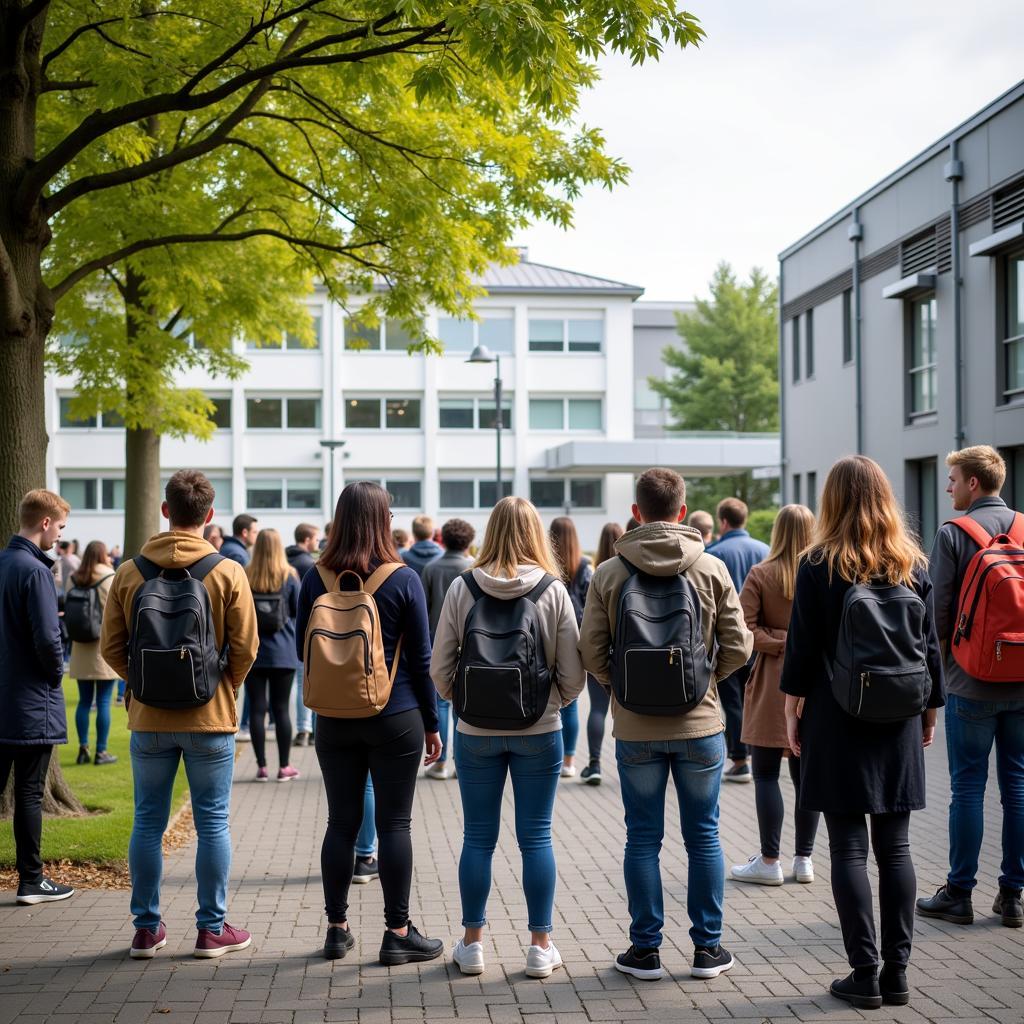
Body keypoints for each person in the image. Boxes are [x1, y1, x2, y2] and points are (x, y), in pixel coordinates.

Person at [780, 455, 944, 1009]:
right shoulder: (910, 562)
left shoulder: (818, 564)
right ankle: (898, 975)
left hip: (837, 715)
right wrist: (930, 708)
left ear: (831, 501)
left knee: (848, 848)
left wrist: (790, 710)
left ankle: (865, 973)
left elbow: (801, 651)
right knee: (895, 849)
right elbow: (930, 648)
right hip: (898, 716)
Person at [579, 468, 752, 982]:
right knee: (704, 837)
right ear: (682, 512)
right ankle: (708, 950)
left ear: (637, 513)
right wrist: (705, 683)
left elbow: (590, 650)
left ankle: (645, 951)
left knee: (642, 840)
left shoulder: (610, 572)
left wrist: (618, 689)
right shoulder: (711, 567)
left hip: (636, 728)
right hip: (700, 726)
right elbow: (739, 646)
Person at [101, 470, 259, 959]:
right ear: (209, 516)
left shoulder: (129, 572)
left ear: (166, 511)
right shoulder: (228, 570)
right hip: (209, 718)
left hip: (149, 720)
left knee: (148, 822)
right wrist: (223, 686)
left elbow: (112, 647)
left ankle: (146, 929)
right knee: (213, 823)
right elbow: (246, 647)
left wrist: (142, 684)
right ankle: (212, 929)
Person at [431, 496, 586, 978]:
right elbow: (573, 673)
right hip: (539, 728)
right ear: (536, 534)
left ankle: (473, 943)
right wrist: (552, 705)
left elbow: (439, 668)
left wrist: (461, 701)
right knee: (535, 836)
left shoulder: (463, 587)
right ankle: (540, 946)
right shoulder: (552, 590)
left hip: (475, 730)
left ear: (490, 532)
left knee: (477, 837)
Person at [296, 481, 443, 965]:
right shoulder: (403, 579)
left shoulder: (316, 578)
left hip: (333, 718)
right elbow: (421, 661)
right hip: (393, 715)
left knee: (340, 822)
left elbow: (304, 648)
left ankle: (336, 930)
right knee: (394, 823)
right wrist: (431, 723)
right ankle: (397, 933)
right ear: (383, 521)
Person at [917, 445, 1024, 928]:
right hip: (1023, 680)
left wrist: (935, 680)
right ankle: (1013, 895)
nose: (949, 487)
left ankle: (959, 893)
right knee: (1018, 788)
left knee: (967, 789)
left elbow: (934, 617)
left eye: (953, 479)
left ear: (973, 484)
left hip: (971, 681)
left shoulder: (953, 534)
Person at [730, 505, 820, 886]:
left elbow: (744, 630)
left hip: (772, 681)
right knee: (806, 776)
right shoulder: (825, 572)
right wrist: (798, 641)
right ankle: (804, 858)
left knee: (766, 773)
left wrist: (779, 640)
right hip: (816, 683)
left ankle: (769, 860)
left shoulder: (761, 574)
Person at [0, 489, 75, 906]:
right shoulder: (34, 571)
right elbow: (48, 640)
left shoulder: (4, 563)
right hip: (30, 698)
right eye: (60, 526)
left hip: (6, 693)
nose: (60, 536)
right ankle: (31, 879)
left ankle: (31, 879)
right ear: (45, 522)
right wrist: (53, 674)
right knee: (29, 791)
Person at [705, 497, 770, 784]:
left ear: (723, 522)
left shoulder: (714, 553)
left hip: (725, 641)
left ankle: (740, 759)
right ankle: (757, 751)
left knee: (732, 702)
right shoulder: (766, 551)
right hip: (759, 640)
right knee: (753, 698)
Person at [420, 517, 476, 780]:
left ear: (443, 539)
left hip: (436, 640)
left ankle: (440, 762)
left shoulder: (431, 569)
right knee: (463, 704)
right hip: (471, 643)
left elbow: (423, 607)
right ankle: (460, 762)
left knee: (441, 702)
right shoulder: (474, 568)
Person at [244, 529, 301, 782]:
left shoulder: (246, 574)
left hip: (254, 652)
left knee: (257, 708)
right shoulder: (290, 576)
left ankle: (261, 766)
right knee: (281, 710)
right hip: (283, 651)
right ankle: (284, 766)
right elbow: (299, 611)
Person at [578, 522, 623, 784]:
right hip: (627, 655)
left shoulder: (596, 573)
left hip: (601, 653)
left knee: (597, 709)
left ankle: (594, 763)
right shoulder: (627, 572)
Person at [68, 540, 118, 766]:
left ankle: (82, 748)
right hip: (103, 646)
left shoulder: (74, 578)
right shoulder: (109, 576)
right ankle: (101, 751)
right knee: (104, 701)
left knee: (84, 702)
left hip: (80, 646)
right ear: (103, 554)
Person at [549, 516, 592, 779]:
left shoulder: (546, 564)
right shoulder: (585, 565)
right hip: (576, 637)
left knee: (551, 701)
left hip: (550, 637)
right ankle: (569, 761)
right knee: (571, 703)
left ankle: (552, 756)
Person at [221, 514, 259, 740]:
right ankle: (239, 723)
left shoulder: (230, 550)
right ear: (245, 532)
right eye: (254, 531)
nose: (255, 535)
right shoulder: (237, 556)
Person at [285, 523, 320, 746]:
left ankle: (303, 729)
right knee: (307, 680)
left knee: (298, 684)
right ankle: (307, 728)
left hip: (287, 628)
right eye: (315, 539)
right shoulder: (309, 565)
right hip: (307, 627)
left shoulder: (284, 560)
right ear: (307, 539)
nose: (317, 543)